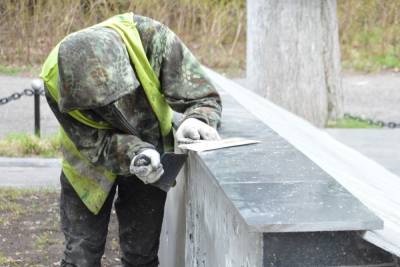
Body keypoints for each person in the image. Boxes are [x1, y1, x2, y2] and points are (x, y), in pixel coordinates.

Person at [40, 13, 221, 267]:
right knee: (80, 257)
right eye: (96, 105)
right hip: (87, 160)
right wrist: (133, 152)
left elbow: (203, 96)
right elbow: (96, 143)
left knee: (141, 256)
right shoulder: (53, 78)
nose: (109, 109)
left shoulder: (153, 40)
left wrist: (197, 120)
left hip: (153, 155)